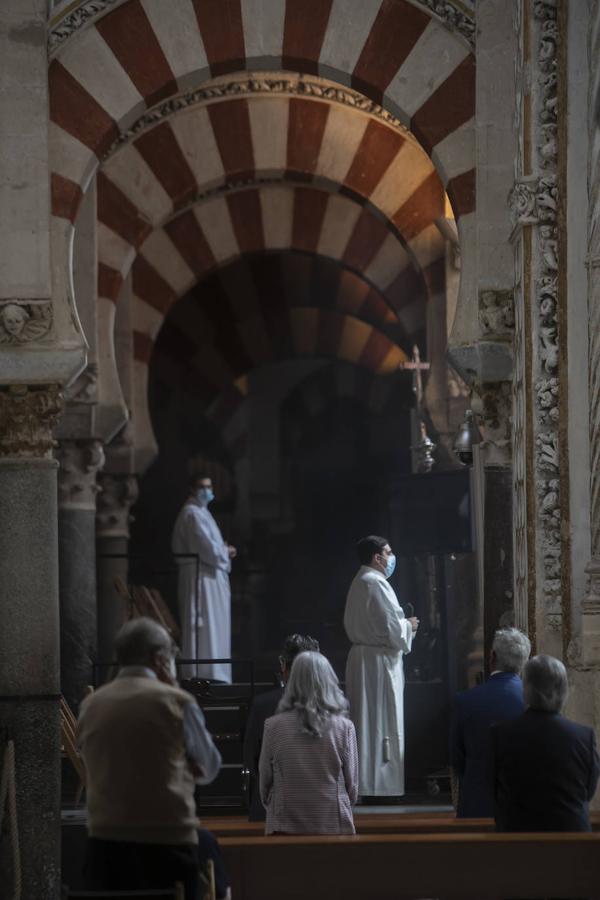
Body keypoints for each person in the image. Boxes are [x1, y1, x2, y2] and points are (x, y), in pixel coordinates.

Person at [77, 617, 229, 900]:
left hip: (104, 846)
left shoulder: (90, 705)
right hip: (167, 845)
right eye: (172, 655)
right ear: (159, 659)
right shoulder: (176, 701)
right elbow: (209, 767)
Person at [343, 535, 418, 799]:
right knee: (380, 722)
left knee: (367, 722)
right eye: (388, 552)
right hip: (378, 664)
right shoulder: (375, 584)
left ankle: (366, 784)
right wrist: (409, 626)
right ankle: (379, 786)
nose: (391, 557)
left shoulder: (361, 581)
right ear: (377, 557)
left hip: (366, 660)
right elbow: (390, 629)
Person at [491, 654, 600, 832]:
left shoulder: (501, 734)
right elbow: (588, 791)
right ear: (564, 690)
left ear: (526, 689)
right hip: (572, 840)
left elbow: (494, 790)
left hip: (515, 839)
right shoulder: (583, 737)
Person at [259, 651, 358, 834]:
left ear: (292, 681)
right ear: (328, 680)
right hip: (333, 824)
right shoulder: (345, 728)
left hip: (285, 826)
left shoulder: (273, 726)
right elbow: (352, 787)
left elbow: (264, 783)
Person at [450, 627, 531, 817]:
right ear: (525, 660)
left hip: (477, 805)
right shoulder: (531, 702)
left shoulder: (465, 701)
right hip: (522, 809)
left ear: (492, 657)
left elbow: (456, 759)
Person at [243, 633, 320, 821]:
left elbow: (251, 760)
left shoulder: (263, 705)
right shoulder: (336, 709)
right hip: (321, 811)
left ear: (283, 665)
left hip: (270, 809)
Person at [172, 474, 236, 683]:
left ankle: (216, 674)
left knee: (214, 628)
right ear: (192, 488)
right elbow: (205, 548)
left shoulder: (203, 512)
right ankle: (201, 675)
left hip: (210, 575)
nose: (207, 491)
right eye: (202, 486)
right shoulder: (192, 514)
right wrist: (225, 552)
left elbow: (212, 547)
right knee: (202, 628)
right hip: (200, 577)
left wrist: (223, 551)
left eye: (209, 486)